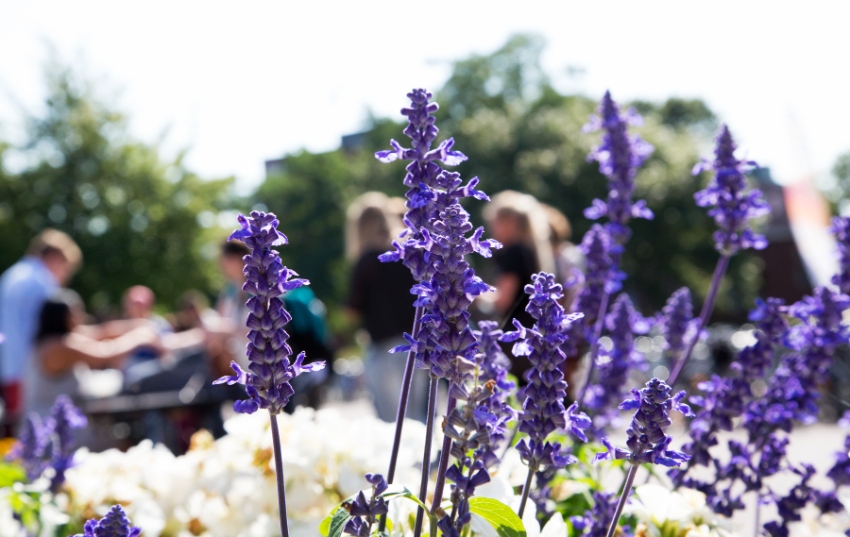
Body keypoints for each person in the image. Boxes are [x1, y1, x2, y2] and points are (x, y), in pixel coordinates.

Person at [346, 192, 427, 422]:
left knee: (393, 424)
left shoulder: (367, 261)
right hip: (417, 346)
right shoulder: (409, 254)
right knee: (420, 419)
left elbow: (352, 309)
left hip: (384, 349)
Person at [24, 290, 161, 417]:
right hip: (49, 423)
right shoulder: (59, 347)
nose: (80, 317)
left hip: (62, 417)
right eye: (74, 313)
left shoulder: (53, 340)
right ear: (60, 317)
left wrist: (141, 324)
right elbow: (104, 354)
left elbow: (102, 332)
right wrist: (139, 338)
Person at [0, 229, 82, 430]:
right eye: (65, 267)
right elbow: (56, 326)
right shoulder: (41, 281)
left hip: (8, 366)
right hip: (28, 371)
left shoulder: (13, 274)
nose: (64, 275)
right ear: (54, 257)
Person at [481, 191, 554, 378]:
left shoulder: (513, 252)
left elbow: (502, 300)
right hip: (537, 338)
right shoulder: (531, 250)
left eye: (495, 222)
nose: (492, 228)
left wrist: (469, 291)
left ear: (509, 221)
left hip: (515, 341)